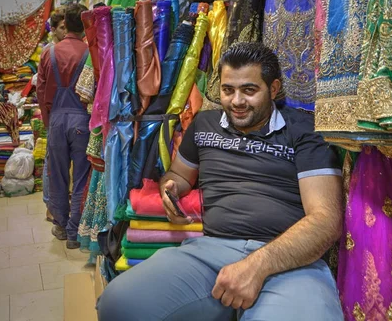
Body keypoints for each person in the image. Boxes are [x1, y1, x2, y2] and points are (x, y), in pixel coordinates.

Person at [97, 42, 344, 320]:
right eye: (228, 90)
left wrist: (256, 266)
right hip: (210, 253)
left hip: (288, 259)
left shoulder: (303, 132)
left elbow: (326, 220)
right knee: (118, 303)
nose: (236, 101)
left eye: (249, 90)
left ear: (273, 89)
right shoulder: (204, 125)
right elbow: (178, 175)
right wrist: (172, 189)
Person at [37, 3, 91, 250]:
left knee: (57, 175)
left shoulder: (48, 53)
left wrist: (50, 124)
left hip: (57, 119)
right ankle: (74, 232)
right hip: (83, 120)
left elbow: (40, 93)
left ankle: (60, 224)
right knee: (81, 177)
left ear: (65, 25)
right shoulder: (91, 53)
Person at [40, 7, 67, 223]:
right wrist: (46, 118)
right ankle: (50, 204)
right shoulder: (48, 53)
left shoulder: (75, 49)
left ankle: (60, 204)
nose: (65, 32)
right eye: (61, 28)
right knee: (53, 162)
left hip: (65, 113)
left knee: (59, 162)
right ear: (54, 29)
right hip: (56, 113)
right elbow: (42, 90)